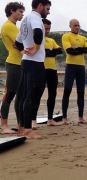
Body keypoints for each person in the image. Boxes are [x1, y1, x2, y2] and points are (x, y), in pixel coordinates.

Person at [15, 0, 51, 139]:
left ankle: (23, 127)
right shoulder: (35, 18)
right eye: (47, 8)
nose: (48, 11)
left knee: (25, 96)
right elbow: (37, 33)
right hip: (35, 63)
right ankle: (28, 129)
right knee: (32, 96)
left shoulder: (25, 19)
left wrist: (24, 51)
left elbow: (17, 42)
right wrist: (35, 48)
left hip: (26, 62)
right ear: (40, 6)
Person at [31, 19, 63, 126]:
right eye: (46, 28)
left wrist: (47, 52)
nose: (47, 30)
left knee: (52, 94)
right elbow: (36, 52)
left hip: (52, 70)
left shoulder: (51, 40)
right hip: (40, 69)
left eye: (49, 28)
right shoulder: (35, 39)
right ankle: (33, 120)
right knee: (37, 94)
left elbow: (59, 50)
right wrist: (48, 52)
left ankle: (50, 119)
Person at [61, 19, 87, 124]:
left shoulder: (83, 38)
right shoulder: (66, 36)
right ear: (70, 26)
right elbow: (69, 51)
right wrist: (81, 49)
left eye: (78, 25)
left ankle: (80, 118)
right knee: (67, 90)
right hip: (70, 66)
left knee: (81, 92)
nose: (77, 27)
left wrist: (77, 48)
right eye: (75, 25)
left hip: (81, 67)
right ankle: (64, 117)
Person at [0, 2, 25, 134]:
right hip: (14, 63)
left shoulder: (14, 27)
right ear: (12, 11)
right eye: (20, 11)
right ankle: (4, 125)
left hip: (19, 63)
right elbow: (22, 44)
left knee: (20, 96)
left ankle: (20, 125)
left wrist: (22, 45)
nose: (22, 14)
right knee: (9, 94)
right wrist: (23, 45)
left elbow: (21, 45)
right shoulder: (9, 26)